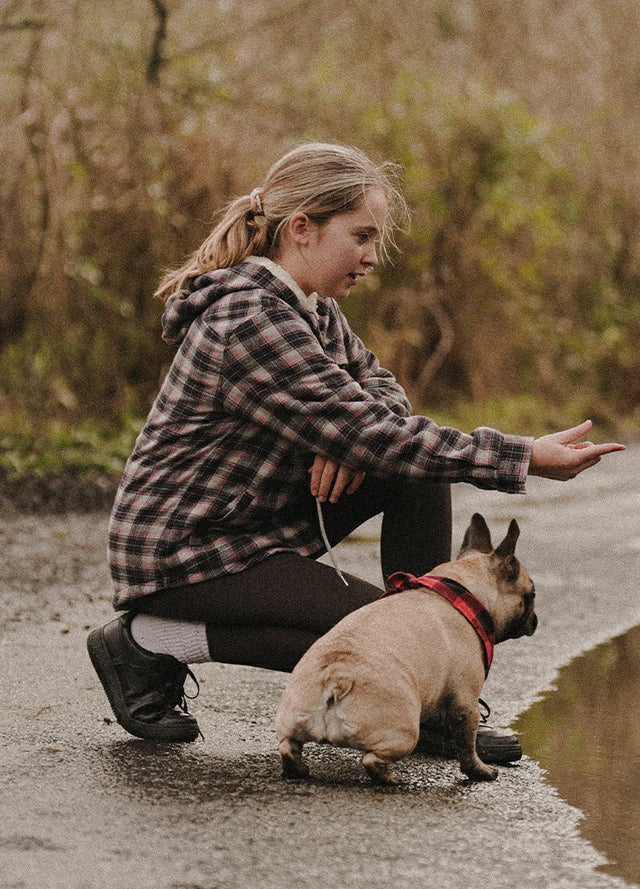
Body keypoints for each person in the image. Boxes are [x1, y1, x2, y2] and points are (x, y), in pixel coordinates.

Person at [87, 141, 624, 763]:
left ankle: (426, 701)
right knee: (371, 635)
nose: (372, 257)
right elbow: (377, 430)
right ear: (302, 229)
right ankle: (148, 641)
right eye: (363, 237)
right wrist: (521, 455)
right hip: (186, 551)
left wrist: (347, 441)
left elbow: (382, 395)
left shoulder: (314, 310)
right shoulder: (250, 318)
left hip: (248, 528)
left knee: (412, 487)